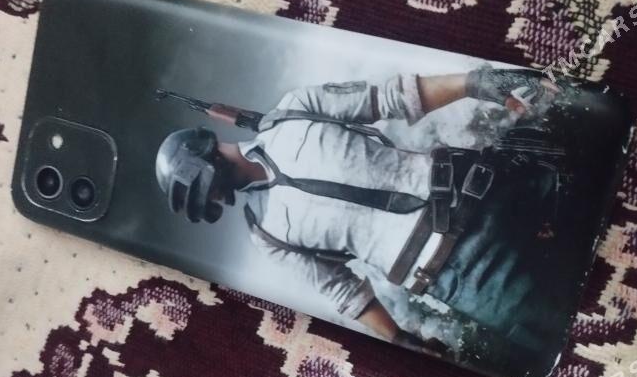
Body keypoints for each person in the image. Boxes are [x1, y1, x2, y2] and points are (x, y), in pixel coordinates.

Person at [154, 69, 561, 353]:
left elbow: (395, 97)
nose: (215, 200)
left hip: (489, 192)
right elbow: (344, 293)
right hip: (463, 277)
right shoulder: (265, 234)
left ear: (204, 156)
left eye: (205, 192)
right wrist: (403, 342)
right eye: (206, 202)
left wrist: (476, 82)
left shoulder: (296, 109)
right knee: (557, 328)